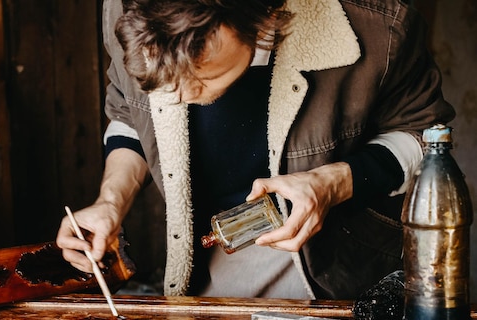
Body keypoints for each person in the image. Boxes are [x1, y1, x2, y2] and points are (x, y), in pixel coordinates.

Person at [56, 0, 455, 300]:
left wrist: (331, 184)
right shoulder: (125, 9)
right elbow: (129, 112)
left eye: (200, 75)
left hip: (341, 268)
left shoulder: (376, 22)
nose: (177, 98)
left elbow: (427, 135)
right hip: (213, 256)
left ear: (265, 17)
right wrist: (111, 201)